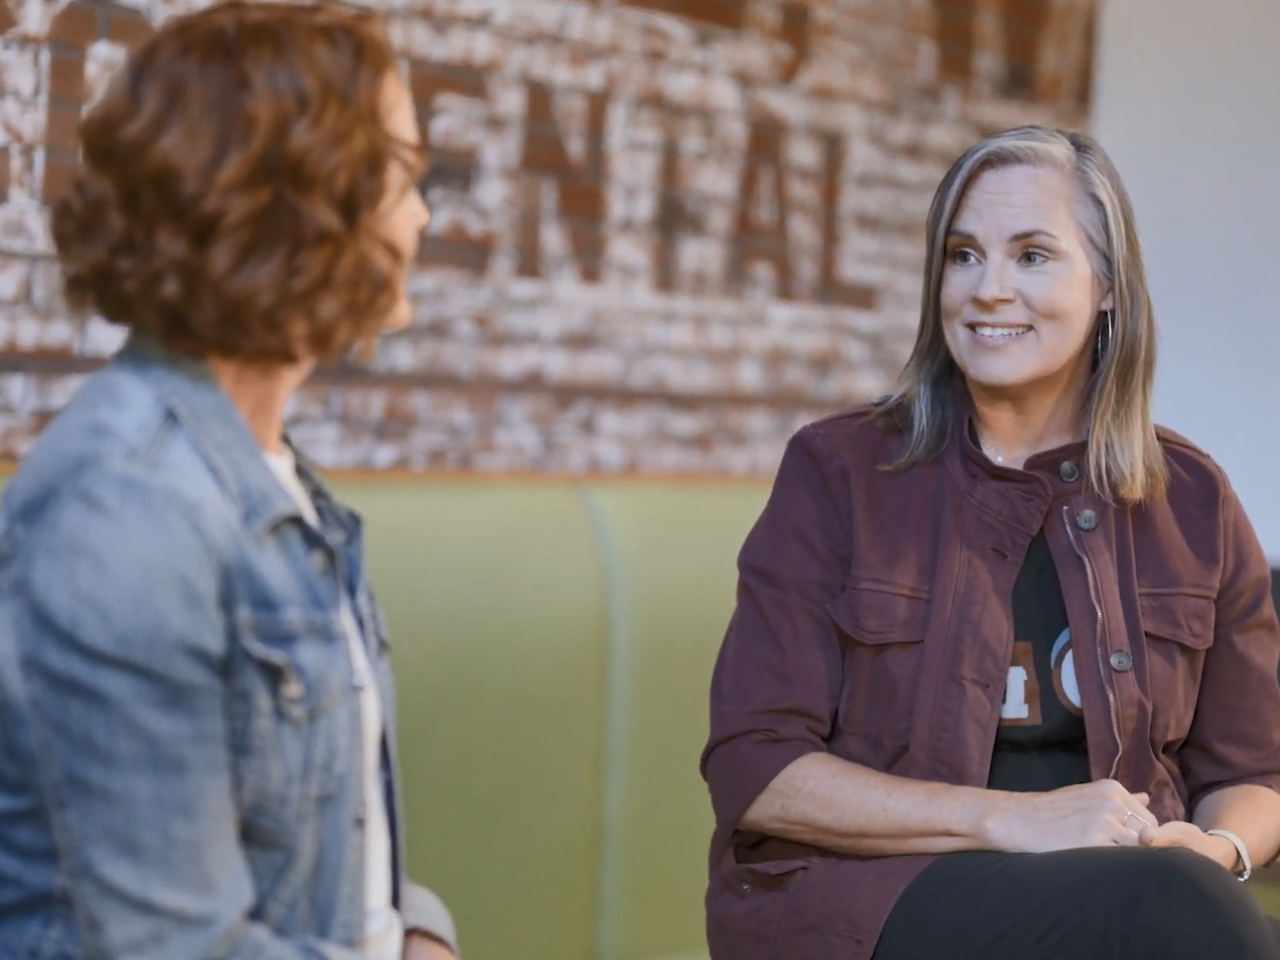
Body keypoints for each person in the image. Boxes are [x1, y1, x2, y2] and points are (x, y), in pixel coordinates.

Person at [700, 126, 1280, 960]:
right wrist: (1015, 822)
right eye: (964, 255)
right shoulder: (839, 472)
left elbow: (1252, 774)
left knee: (1179, 904)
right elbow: (755, 771)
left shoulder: (1192, 499)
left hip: (1140, 895)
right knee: (1169, 911)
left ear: (1109, 286)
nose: (988, 290)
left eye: (1033, 256)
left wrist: (1215, 849)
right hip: (870, 904)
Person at [0, 4, 458, 959]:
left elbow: (316, 835)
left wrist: (419, 927)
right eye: (407, 174)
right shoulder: (126, 509)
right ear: (303, 197)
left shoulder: (277, 485)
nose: (422, 213)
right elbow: (169, 945)